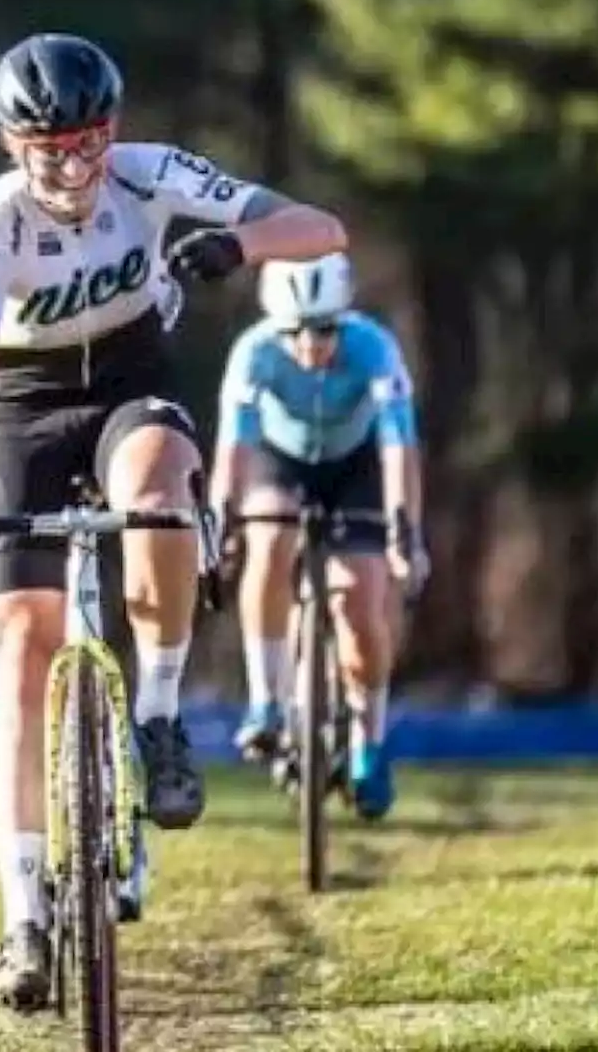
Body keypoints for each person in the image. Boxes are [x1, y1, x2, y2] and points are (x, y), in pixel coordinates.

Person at [0, 32, 347, 1011]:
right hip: (23, 410)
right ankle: (24, 915)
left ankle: (155, 717)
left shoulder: (150, 177)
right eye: (48, 147)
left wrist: (234, 243)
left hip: (128, 387)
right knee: (21, 649)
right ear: (8, 143)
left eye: (88, 141)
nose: (71, 166)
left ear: (111, 130)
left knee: (156, 487)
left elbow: (320, 228)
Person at [209, 253, 428, 822]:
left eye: (325, 328)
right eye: (295, 334)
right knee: (269, 541)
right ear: (274, 327)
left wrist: (406, 532)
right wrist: (221, 523)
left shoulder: (374, 349)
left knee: (360, 600)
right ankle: (266, 701)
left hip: (356, 468)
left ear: (344, 318)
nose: (311, 346)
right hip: (280, 461)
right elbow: (231, 453)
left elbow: (398, 448)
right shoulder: (252, 354)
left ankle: (370, 743)